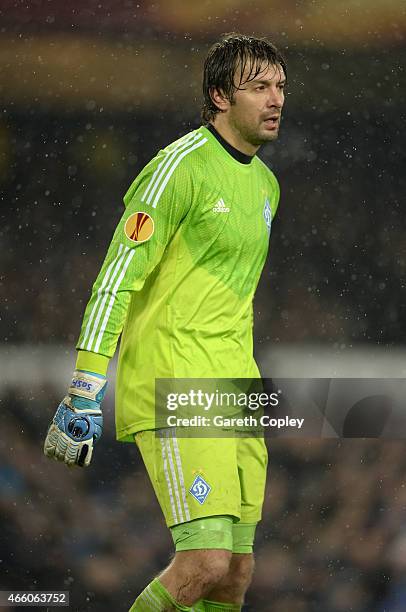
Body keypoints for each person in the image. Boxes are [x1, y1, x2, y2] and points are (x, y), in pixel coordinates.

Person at [44, 32, 287, 611]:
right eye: (258, 87)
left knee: (236, 573)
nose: (275, 99)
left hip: (235, 386)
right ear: (219, 97)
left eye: (280, 87)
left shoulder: (267, 186)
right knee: (202, 564)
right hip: (175, 379)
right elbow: (115, 278)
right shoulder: (178, 168)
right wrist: (84, 386)